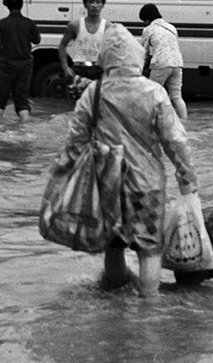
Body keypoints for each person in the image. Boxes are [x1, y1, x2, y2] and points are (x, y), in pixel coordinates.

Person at [63, 24, 198, 296]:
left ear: (106, 58)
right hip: (146, 184)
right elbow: (175, 141)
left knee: (113, 247)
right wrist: (187, 180)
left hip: (107, 181)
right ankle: (148, 310)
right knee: (149, 249)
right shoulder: (153, 92)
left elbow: (75, 137)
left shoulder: (94, 92)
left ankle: (114, 300)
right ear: (136, 55)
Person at [0, 0, 40, 120]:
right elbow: (37, 40)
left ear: (7, 6)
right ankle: (25, 127)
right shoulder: (29, 23)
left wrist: (1, 59)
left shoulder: (2, 24)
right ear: (21, 5)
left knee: (0, 100)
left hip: (6, 66)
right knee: (22, 101)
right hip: (25, 66)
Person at [138, 3, 187, 120]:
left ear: (147, 18)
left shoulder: (148, 30)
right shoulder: (172, 27)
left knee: (151, 95)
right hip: (177, 64)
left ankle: (150, 122)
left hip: (161, 64)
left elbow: (143, 52)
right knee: (176, 97)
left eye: (144, 20)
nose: (144, 23)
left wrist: (139, 68)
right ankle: (185, 123)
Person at [58, 0, 109, 95]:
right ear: (85, 5)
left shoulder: (108, 26)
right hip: (79, 69)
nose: (94, 5)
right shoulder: (74, 25)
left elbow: (116, 50)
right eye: (91, 2)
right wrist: (65, 67)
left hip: (99, 69)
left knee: (98, 106)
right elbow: (62, 46)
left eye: (98, 2)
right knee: (78, 107)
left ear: (103, 5)